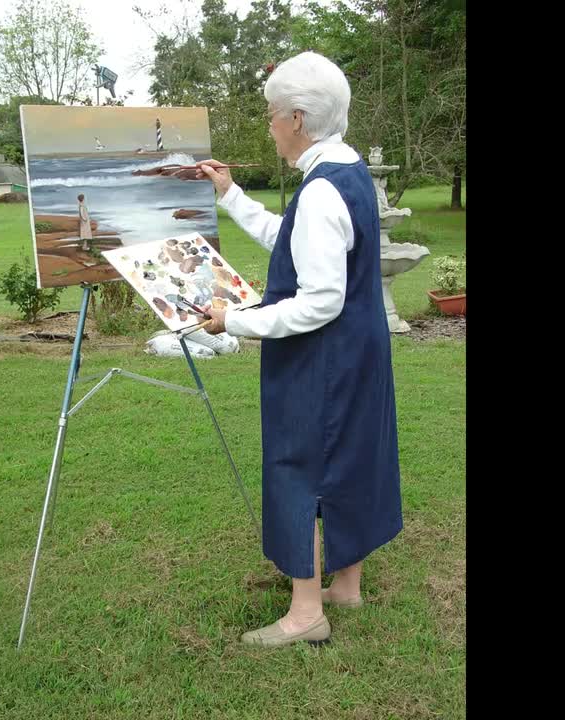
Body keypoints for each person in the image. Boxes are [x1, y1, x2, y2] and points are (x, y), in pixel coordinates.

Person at [198, 51, 402, 647]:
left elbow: (319, 302)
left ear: (297, 118)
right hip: (358, 351)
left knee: (299, 469)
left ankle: (307, 613)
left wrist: (235, 320)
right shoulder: (347, 168)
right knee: (351, 460)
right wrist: (231, 194)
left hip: (323, 360)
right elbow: (292, 241)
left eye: (270, 115)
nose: (268, 126)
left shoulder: (319, 192)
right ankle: (347, 585)